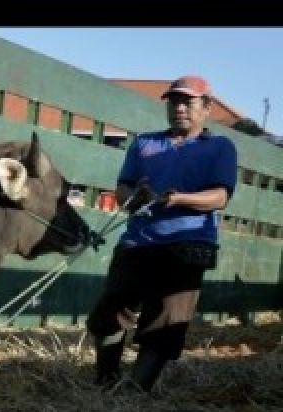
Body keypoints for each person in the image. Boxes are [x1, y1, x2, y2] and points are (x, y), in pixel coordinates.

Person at [86, 75, 238, 392]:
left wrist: (179, 199)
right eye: (174, 101)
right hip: (139, 240)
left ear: (207, 107)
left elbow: (220, 197)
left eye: (188, 101)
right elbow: (124, 189)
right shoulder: (145, 143)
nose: (179, 107)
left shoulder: (221, 147)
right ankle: (105, 381)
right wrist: (134, 196)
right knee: (112, 309)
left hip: (188, 243)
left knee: (165, 320)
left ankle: (135, 392)